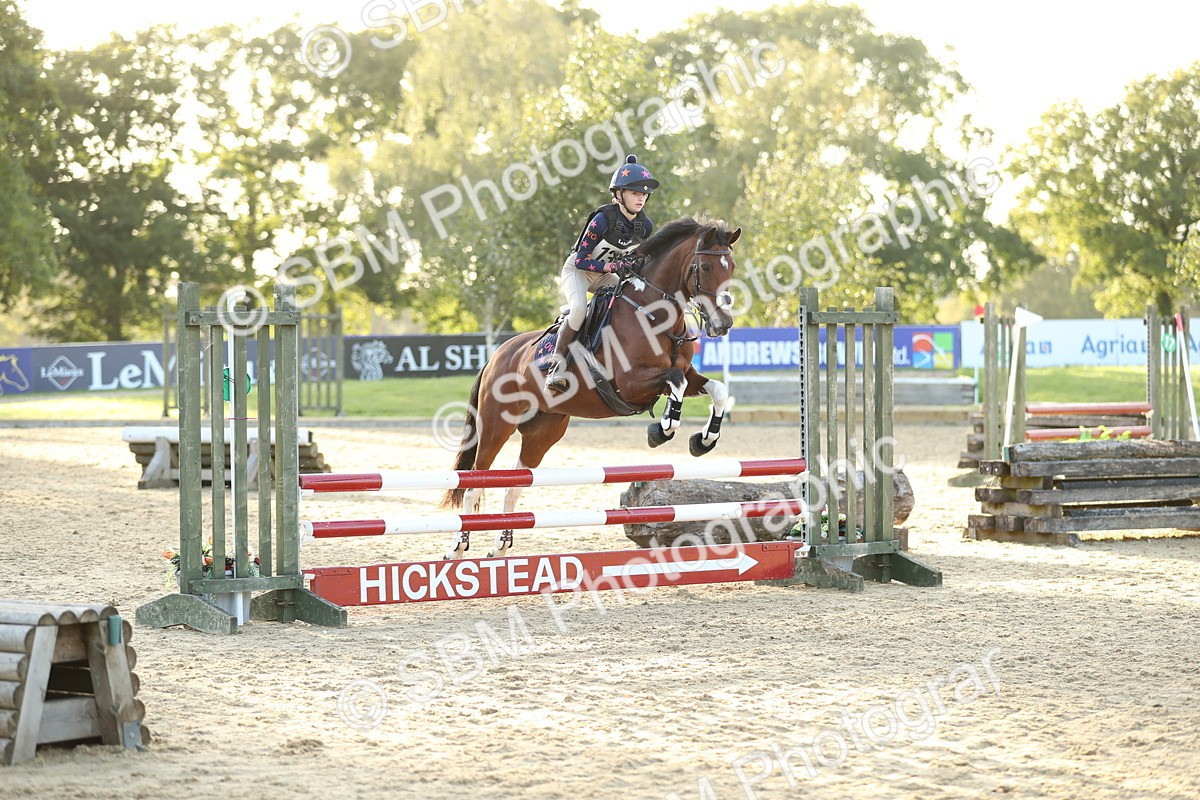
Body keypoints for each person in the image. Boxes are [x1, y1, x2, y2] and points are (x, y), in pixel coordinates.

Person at [544, 154, 660, 393]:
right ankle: (556, 367)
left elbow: (638, 260)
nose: (641, 198)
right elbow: (582, 259)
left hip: (606, 278)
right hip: (578, 271)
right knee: (578, 310)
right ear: (619, 195)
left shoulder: (645, 226)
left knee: (629, 307)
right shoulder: (602, 220)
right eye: (635, 193)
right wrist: (611, 267)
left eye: (644, 194)